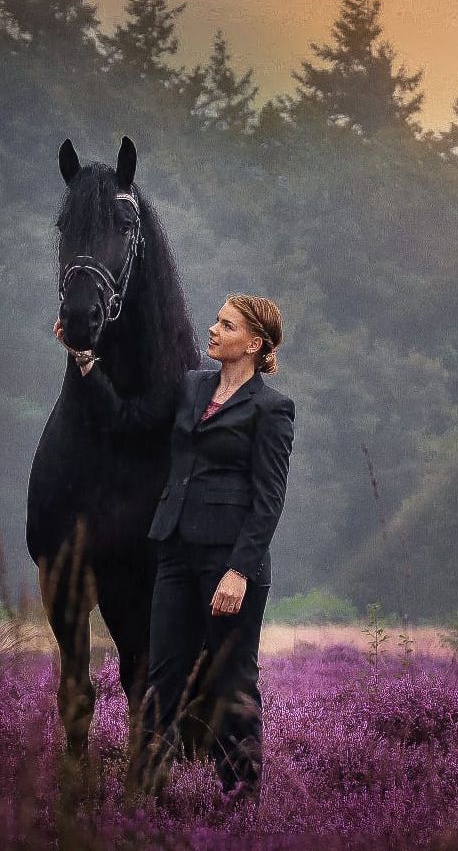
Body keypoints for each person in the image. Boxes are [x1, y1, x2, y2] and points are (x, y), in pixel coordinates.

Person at [54, 293, 295, 804]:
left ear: (253, 343)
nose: (212, 329)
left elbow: (269, 500)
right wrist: (83, 359)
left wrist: (239, 571)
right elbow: (128, 420)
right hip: (174, 553)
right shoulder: (192, 386)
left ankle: (241, 805)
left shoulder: (272, 409)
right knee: (159, 679)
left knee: (233, 684)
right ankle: (143, 798)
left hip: (228, 564)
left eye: (225, 325)